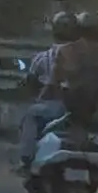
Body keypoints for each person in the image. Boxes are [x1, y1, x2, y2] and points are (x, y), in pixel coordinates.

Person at [16, 11, 83, 170]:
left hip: (57, 105)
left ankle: (26, 160)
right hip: (83, 107)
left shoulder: (45, 57)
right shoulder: (85, 56)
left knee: (30, 115)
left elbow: (32, 81)